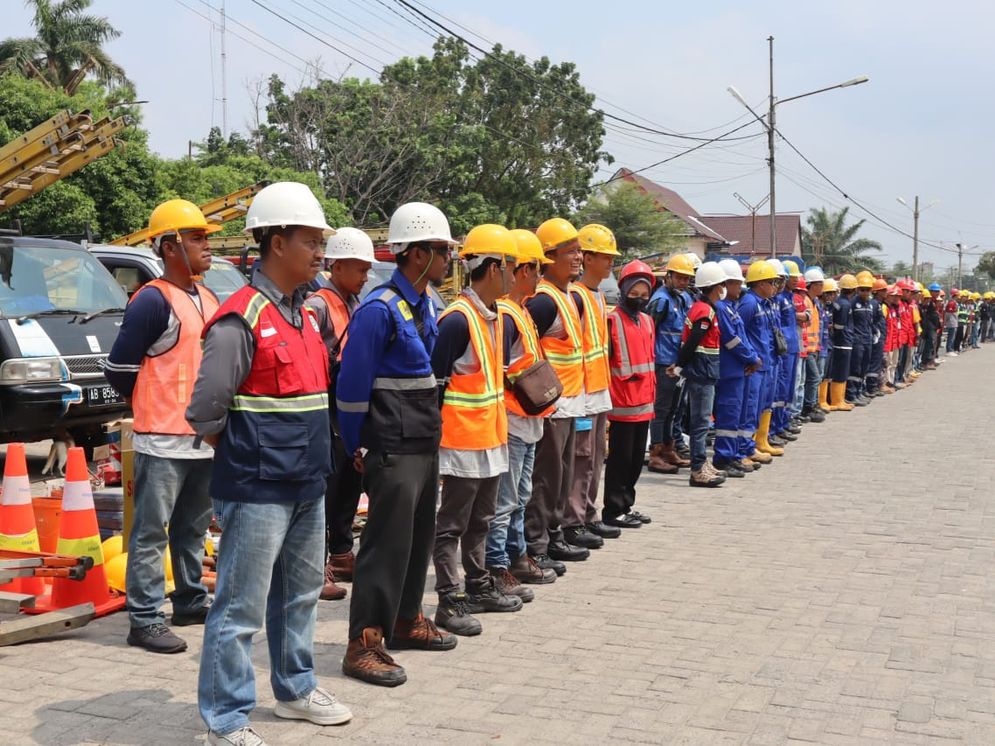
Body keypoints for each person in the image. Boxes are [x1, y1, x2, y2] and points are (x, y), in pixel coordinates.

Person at [187, 182, 352, 743]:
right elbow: (206, 413)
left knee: (300, 595)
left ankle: (295, 689)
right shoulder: (240, 319)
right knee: (239, 608)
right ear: (277, 243)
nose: (319, 253)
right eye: (310, 241)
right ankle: (225, 720)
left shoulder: (305, 317)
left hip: (308, 482)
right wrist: (246, 456)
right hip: (257, 489)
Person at [335, 202, 458, 687]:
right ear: (418, 254)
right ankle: (363, 643)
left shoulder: (426, 305)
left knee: (416, 539)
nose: (449, 259)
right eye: (443, 250)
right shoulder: (378, 310)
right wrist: (355, 447)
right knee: (385, 545)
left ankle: (406, 622)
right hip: (390, 445)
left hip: (423, 442)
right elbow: (351, 387)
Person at [105, 199, 220, 654]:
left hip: (203, 438)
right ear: (170, 246)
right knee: (152, 531)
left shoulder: (206, 296)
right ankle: (145, 618)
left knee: (193, 528)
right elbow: (119, 368)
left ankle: (189, 600)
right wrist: (151, 400)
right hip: (162, 437)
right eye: (197, 238)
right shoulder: (152, 301)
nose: (207, 246)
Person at [431, 225, 522, 636]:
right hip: (461, 441)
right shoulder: (456, 321)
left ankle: (479, 584)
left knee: (482, 519)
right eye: (512, 267)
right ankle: (449, 600)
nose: (516, 275)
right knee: (452, 523)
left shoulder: (496, 317)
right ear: (494, 267)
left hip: (490, 437)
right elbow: (435, 385)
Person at [305, 228, 375, 602]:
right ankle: (318, 566)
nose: (365, 277)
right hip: (328, 405)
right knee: (328, 488)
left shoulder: (351, 300)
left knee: (349, 480)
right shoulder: (319, 305)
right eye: (360, 269)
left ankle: (343, 552)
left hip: (348, 407)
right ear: (339, 265)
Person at [488, 230, 558, 587]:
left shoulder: (520, 312)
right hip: (513, 420)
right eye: (536, 270)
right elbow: (498, 370)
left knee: (520, 496)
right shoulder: (506, 315)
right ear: (521, 270)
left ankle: (515, 557)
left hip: (528, 419)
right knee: (506, 500)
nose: (539, 277)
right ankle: (499, 564)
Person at [524, 218, 592, 561]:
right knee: (546, 479)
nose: (579, 257)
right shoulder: (543, 301)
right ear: (549, 257)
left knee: (562, 476)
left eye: (579, 250)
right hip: (551, 407)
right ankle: (536, 544)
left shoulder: (569, 297)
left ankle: (552, 535)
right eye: (571, 251)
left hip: (570, 403)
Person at [564, 224, 622, 549]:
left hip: (598, 392)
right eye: (604, 256)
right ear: (587, 258)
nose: (610, 262)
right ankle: (573, 520)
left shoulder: (597, 295)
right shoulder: (577, 296)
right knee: (581, 458)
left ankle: (588, 513)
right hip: (583, 394)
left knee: (596, 456)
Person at [603, 260, 657, 522]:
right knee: (620, 461)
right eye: (634, 293)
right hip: (622, 404)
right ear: (623, 290)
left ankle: (626, 505)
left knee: (636, 461)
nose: (639, 298)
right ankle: (613, 509)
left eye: (644, 294)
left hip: (644, 402)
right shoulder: (612, 320)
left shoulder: (647, 321)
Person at [646, 254, 696, 474]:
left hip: (678, 363)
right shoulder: (661, 301)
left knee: (674, 409)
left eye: (687, 279)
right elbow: (648, 332)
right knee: (661, 409)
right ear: (669, 276)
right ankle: (656, 453)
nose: (684, 283)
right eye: (680, 278)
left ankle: (669, 448)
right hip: (663, 363)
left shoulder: (682, 299)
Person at [679, 261, 727, 487]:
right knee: (701, 422)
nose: (723, 288)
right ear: (715, 286)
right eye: (721, 284)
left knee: (702, 421)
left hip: (703, 370)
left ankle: (701, 463)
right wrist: (679, 366)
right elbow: (692, 342)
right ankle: (698, 468)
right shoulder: (705, 312)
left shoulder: (703, 308)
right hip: (701, 371)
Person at [712, 259, 761, 476]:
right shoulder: (722, 308)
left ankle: (732, 455)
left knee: (737, 415)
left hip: (739, 369)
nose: (739, 288)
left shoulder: (731, 307)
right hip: (729, 370)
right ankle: (723, 458)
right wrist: (750, 358)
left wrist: (752, 358)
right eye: (735, 284)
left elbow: (744, 337)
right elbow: (731, 340)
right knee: (728, 416)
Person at [738, 261, 779, 462]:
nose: (774, 286)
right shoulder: (749, 303)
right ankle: (744, 448)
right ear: (760, 283)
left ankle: (752, 444)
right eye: (772, 282)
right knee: (749, 408)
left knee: (759, 406)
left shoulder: (764, 303)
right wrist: (750, 357)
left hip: (765, 364)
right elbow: (740, 331)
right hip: (754, 366)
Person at [800, 267, 825, 422]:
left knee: (812, 378)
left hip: (813, 347)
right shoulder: (806, 301)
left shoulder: (814, 302)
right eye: (820, 283)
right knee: (813, 378)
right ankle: (808, 406)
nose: (822, 287)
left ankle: (812, 403)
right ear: (812, 285)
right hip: (807, 348)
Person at [846, 271, 875, 406]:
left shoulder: (869, 304)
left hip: (867, 340)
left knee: (864, 367)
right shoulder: (853, 303)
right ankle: (851, 394)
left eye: (868, 290)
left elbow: (871, 322)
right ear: (857, 289)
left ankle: (859, 391)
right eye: (862, 290)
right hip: (857, 340)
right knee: (855, 368)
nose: (865, 292)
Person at [829, 274, 857, 411]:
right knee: (841, 372)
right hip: (843, 342)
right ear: (853, 290)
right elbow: (840, 325)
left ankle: (840, 398)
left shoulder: (840, 302)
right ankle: (837, 400)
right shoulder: (845, 304)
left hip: (842, 341)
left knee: (842, 371)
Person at [865, 278, 889, 397]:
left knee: (878, 362)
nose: (886, 292)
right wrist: (876, 334)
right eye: (883, 290)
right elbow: (872, 321)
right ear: (877, 292)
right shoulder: (874, 304)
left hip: (880, 337)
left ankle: (874, 386)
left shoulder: (879, 304)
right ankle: (871, 387)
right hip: (876, 337)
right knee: (874, 363)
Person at [817, 277, 837, 409]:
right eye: (830, 293)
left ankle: (825, 400)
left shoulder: (830, 308)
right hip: (820, 346)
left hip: (828, 343)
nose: (833, 296)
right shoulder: (819, 306)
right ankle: (819, 401)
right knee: (820, 374)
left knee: (827, 373)